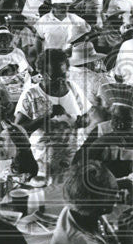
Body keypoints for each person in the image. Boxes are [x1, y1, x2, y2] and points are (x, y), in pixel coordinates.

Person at [14, 48, 89, 181]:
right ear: (42, 73)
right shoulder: (31, 95)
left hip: (72, 158)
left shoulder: (73, 88)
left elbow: (87, 117)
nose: (60, 80)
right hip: (42, 162)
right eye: (54, 77)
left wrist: (83, 121)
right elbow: (17, 130)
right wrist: (46, 117)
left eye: (64, 75)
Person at [75, 101, 133, 194]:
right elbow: (77, 163)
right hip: (100, 190)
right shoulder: (101, 130)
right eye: (115, 118)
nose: (118, 125)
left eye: (126, 120)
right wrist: (101, 141)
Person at [68, 41, 111, 109]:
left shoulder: (66, 75)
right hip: (95, 114)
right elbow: (107, 103)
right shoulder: (98, 79)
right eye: (95, 60)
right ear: (89, 62)